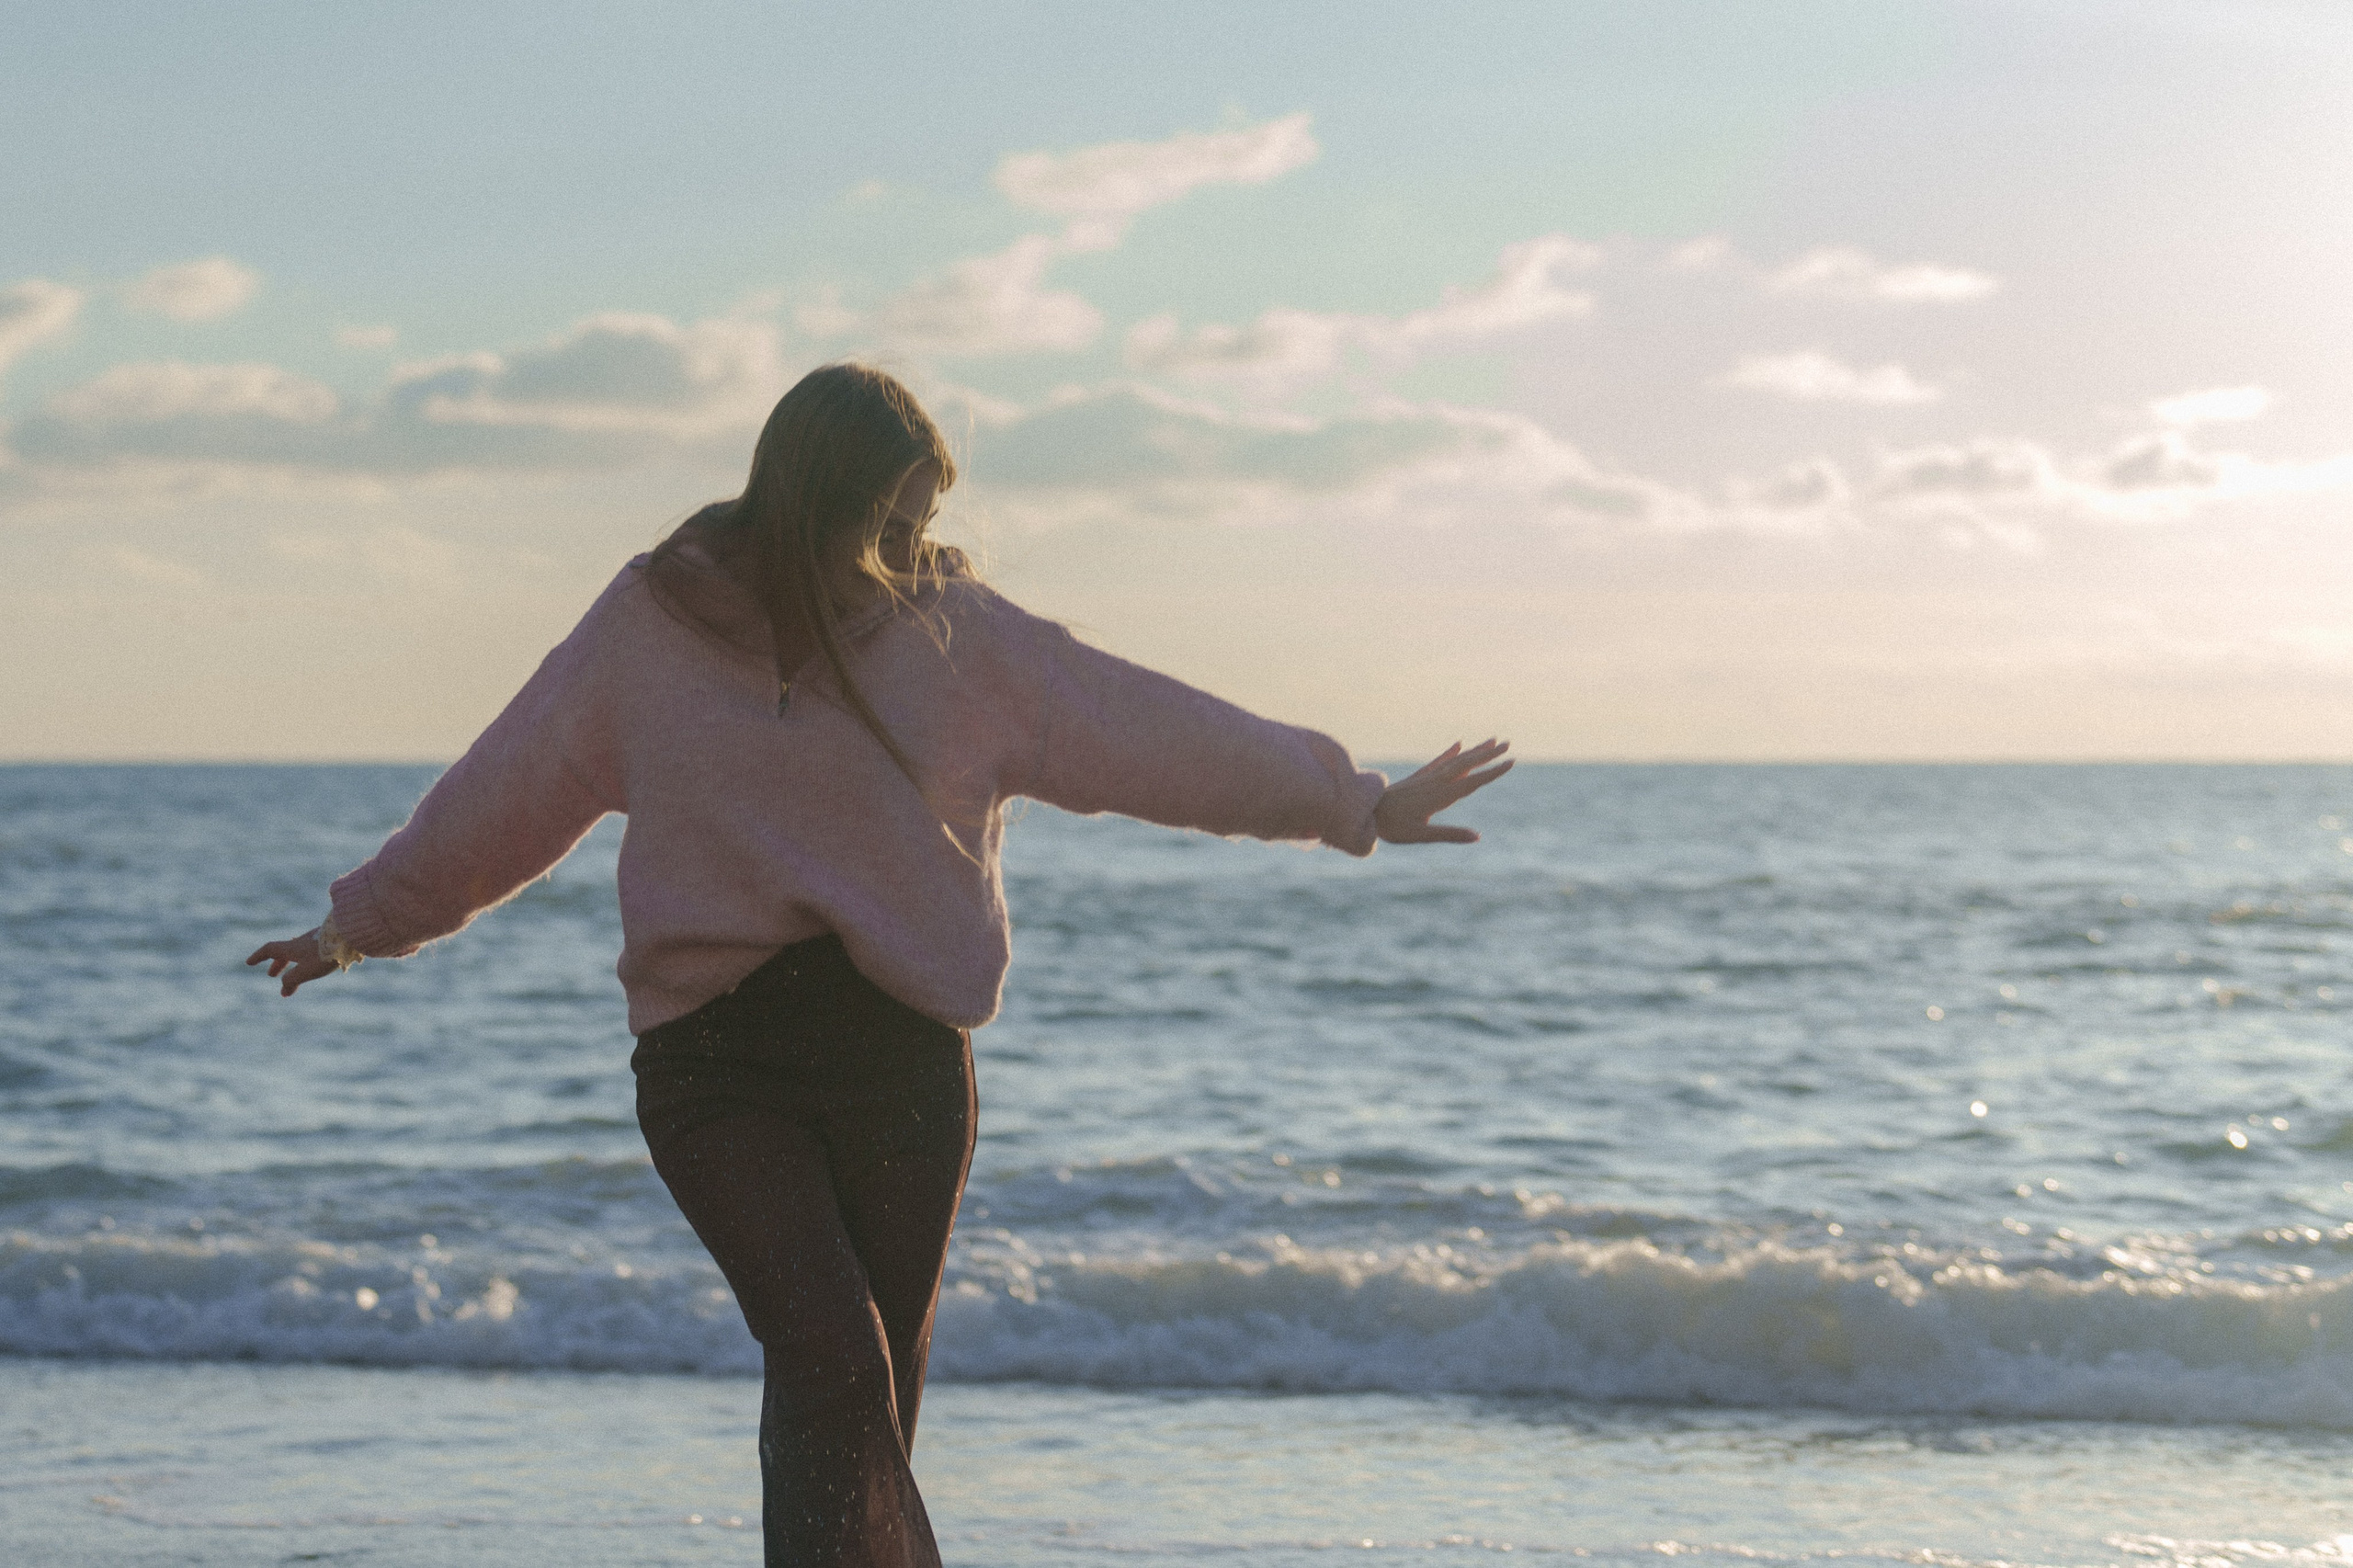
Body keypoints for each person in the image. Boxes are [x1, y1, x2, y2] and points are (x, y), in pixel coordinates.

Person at [247, 362, 1512, 1566]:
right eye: (891, 521)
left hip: (903, 1061)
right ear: (813, 499)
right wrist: (363, 920)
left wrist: (1354, 801)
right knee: (833, 1361)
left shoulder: (958, 639)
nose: (913, 552)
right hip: (716, 1059)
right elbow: (507, 788)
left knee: (867, 1388)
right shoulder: (652, 620)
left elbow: (1149, 732)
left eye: (927, 523)